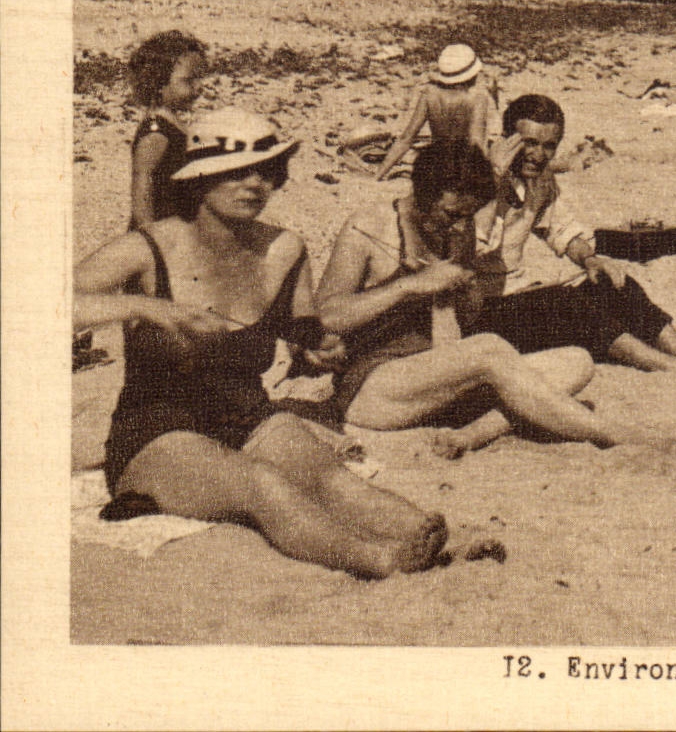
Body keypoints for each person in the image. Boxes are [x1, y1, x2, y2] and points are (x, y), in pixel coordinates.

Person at [74, 108, 463, 578]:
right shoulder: (150, 248)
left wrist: (317, 348)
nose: (256, 184)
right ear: (200, 179)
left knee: (327, 477)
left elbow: (304, 331)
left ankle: (440, 541)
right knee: (262, 483)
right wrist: (146, 308)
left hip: (245, 414)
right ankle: (381, 561)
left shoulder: (283, 250)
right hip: (156, 431)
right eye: (238, 172)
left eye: (267, 172)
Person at [317, 140, 669, 459]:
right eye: (451, 214)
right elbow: (324, 318)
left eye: (467, 217)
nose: (459, 226)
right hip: (372, 389)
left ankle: (471, 435)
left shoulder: (459, 229)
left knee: (576, 362)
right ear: (422, 193)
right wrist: (407, 286)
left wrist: (459, 294)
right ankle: (611, 434)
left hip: (435, 381)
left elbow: (455, 329)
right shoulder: (367, 228)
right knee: (489, 349)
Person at [468, 94, 676, 385]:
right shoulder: (473, 180)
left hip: (516, 294)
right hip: (475, 310)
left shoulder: (538, 180)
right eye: (529, 143)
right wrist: (492, 179)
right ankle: (666, 366)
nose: (538, 155)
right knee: (565, 303)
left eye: (549, 146)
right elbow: (472, 248)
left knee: (610, 281)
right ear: (506, 139)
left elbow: (560, 229)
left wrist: (590, 259)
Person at [375, 43, 496, 180]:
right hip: (461, 169)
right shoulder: (477, 98)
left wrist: (379, 174)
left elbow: (406, 138)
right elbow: (476, 142)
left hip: (436, 165)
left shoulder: (429, 93)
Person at [128, 31, 209, 229]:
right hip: (160, 229)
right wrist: (149, 233)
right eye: (189, 80)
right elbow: (142, 183)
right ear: (158, 83)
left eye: (200, 79)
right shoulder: (156, 131)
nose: (199, 87)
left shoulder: (172, 124)